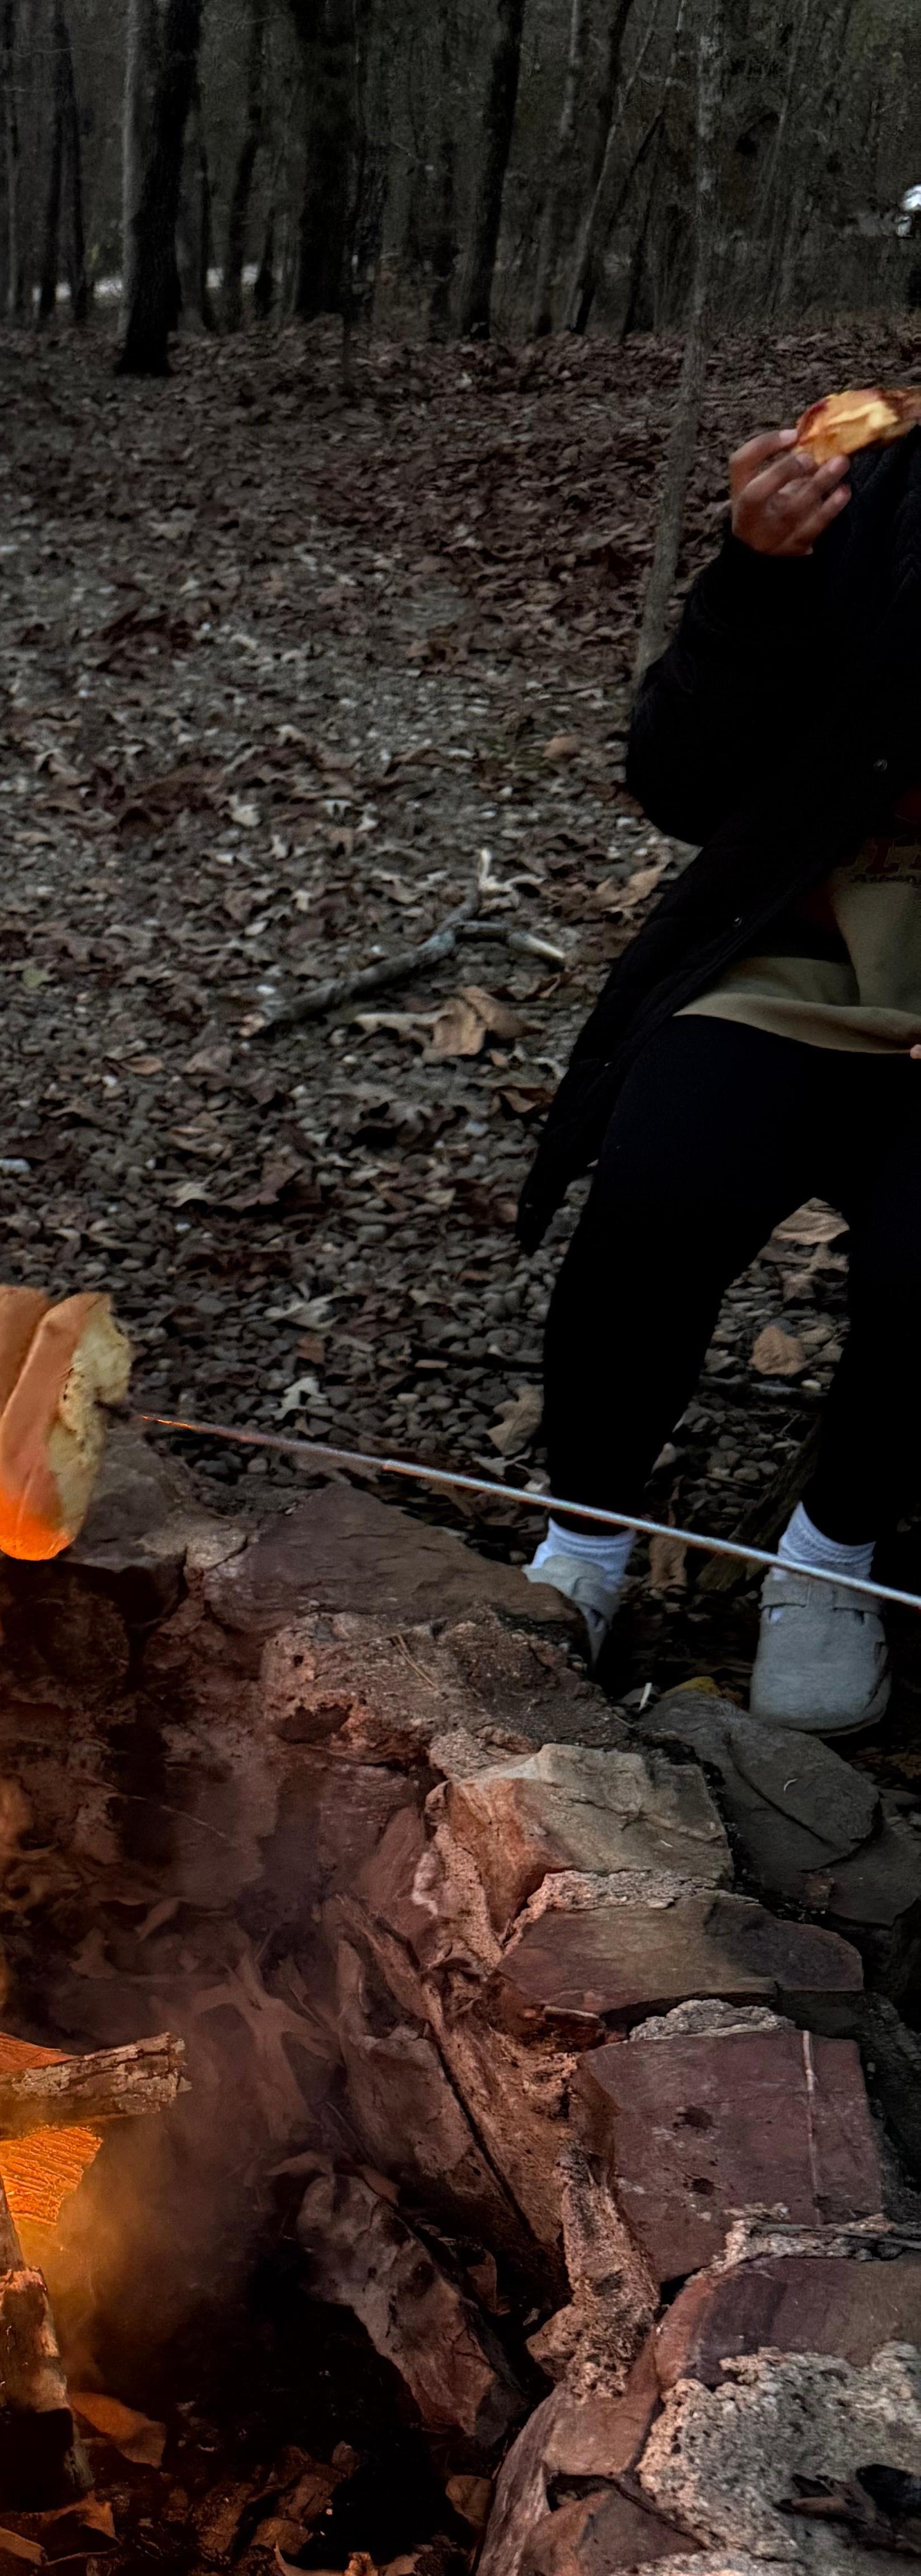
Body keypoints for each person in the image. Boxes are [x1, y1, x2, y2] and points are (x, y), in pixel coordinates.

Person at [518, 416, 920, 1734]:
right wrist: (757, 572)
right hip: (797, 955)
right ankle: (585, 1535)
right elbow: (681, 782)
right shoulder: (870, 493)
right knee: (664, 1177)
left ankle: (831, 1552)